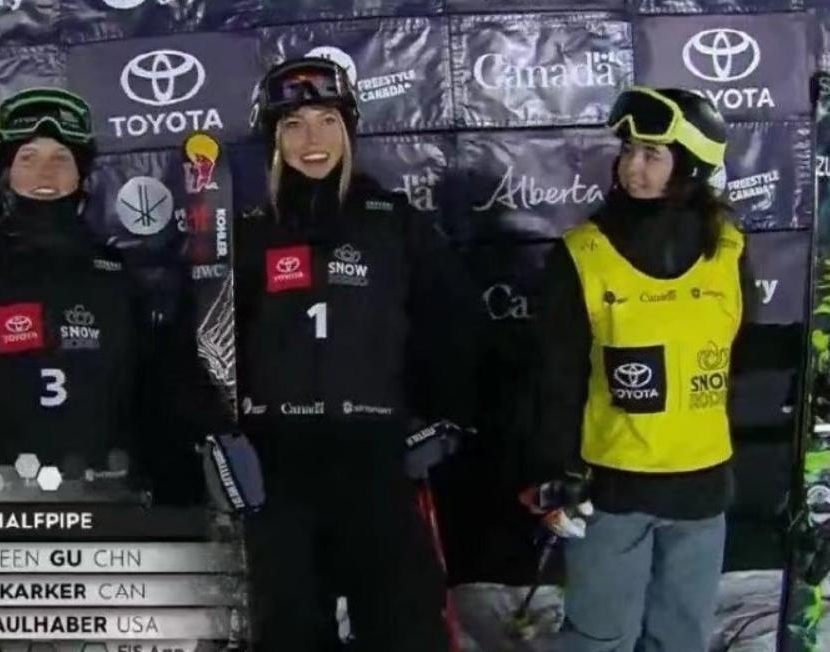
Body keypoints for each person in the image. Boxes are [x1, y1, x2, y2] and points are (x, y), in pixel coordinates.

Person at [237, 56, 473, 651]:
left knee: (405, 629)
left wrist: (444, 418)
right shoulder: (249, 233)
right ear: (272, 139)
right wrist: (217, 433)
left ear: (350, 130)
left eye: (327, 121)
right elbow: (208, 348)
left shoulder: (394, 223)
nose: (311, 140)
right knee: (289, 631)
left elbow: (455, 330)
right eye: (293, 125)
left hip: (376, 460)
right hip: (279, 465)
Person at [522, 86, 755, 651]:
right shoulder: (582, 253)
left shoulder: (728, 249)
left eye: (652, 154)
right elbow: (557, 375)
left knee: (681, 637)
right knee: (600, 637)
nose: (633, 167)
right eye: (628, 151)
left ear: (691, 164)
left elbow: (742, 357)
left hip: (701, 491)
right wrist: (555, 470)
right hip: (613, 490)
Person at [0, 87, 231, 503]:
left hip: (110, 502)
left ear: (81, 173)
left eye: (61, 158)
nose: (45, 173)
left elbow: (161, 388)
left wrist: (213, 429)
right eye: (28, 158)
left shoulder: (118, 277)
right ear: (4, 172)